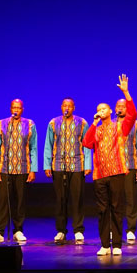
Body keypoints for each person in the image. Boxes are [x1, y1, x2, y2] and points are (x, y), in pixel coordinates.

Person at [82, 74, 137, 256]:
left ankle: (118, 245)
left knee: (116, 208)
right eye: (99, 109)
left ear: (110, 112)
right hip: (100, 175)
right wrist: (94, 122)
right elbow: (87, 143)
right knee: (102, 210)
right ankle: (105, 244)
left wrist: (126, 92)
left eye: (104, 109)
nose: (101, 111)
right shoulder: (95, 130)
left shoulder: (119, 127)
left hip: (117, 173)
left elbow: (133, 115)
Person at [43, 98, 92, 243]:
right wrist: (47, 165)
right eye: (65, 105)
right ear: (61, 107)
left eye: (70, 106)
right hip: (58, 165)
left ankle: (78, 230)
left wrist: (88, 164)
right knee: (60, 199)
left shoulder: (82, 123)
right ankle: (61, 231)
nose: (67, 108)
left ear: (74, 108)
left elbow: (87, 144)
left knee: (77, 199)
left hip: (77, 165)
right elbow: (48, 145)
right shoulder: (54, 123)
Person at [0, 99, 37, 244]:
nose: (16, 110)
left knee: (20, 201)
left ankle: (18, 230)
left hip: (23, 168)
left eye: (19, 107)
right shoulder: (2, 124)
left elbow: (33, 147)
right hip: (4, 169)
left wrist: (33, 169)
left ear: (22, 109)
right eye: (13, 107)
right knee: (3, 201)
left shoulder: (30, 124)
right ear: (10, 109)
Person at [114, 98, 137, 241]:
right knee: (114, 199)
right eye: (118, 106)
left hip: (130, 166)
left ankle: (131, 229)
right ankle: (114, 228)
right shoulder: (109, 124)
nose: (120, 108)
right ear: (115, 109)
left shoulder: (136, 125)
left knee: (130, 198)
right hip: (113, 167)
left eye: (123, 106)